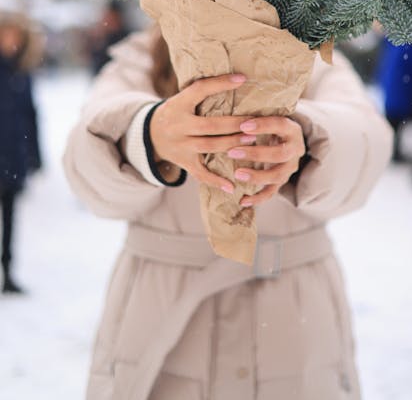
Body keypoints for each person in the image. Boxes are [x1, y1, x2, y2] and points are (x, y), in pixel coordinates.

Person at [63, 24, 392, 400]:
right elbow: (85, 161)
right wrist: (147, 135)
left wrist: (303, 143)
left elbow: (366, 142)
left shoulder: (307, 54)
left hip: (292, 314)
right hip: (162, 312)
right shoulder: (138, 59)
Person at [0, 11, 42, 294]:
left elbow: (31, 116)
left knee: (11, 219)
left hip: (13, 158)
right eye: (5, 34)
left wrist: (36, 156)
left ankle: (8, 272)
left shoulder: (23, 72)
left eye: (15, 35)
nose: (10, 40)